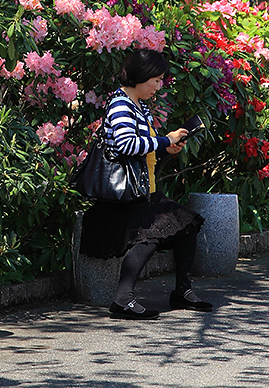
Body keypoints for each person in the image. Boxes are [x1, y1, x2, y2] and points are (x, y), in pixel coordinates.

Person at [79, 48, 214, 320]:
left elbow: (143, 149)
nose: (158, 86)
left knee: (186, 224)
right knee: (152, 235)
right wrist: (165, 139)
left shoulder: (139, 105)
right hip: (122, 196)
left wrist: (167, 149)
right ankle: (123, 300)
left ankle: (182, 291)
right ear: (140, 77)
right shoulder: (120, 105)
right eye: (156, 80)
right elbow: (126, 145)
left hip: (143, 190)